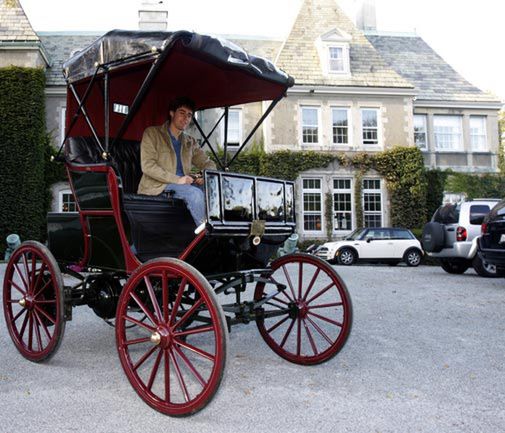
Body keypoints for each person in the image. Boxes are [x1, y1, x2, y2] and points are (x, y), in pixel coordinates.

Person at [137, 97, 216, 227]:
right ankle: (206, 237)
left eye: (189, 115)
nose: (186, 118)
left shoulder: (190, 141)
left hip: (183, 185)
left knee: (214, 189)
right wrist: (177, 180)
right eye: (182, 113)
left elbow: (209, 163)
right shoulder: (152, 133)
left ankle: (225, 230)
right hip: (159, 186)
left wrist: (203, 174)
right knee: (194, 194)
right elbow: (148, 166)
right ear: (172, 113)